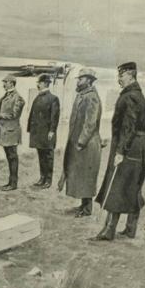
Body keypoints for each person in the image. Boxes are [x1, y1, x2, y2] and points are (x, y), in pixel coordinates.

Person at [94, 62, 145, 240]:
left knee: (117, 187)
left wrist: (120, 152)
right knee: (133, 187)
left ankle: (109, 230)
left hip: (129, 147)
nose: (119, 79)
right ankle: (131, 228)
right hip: (136, 146)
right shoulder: (136, 94)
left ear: (131, 76)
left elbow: (129, 127)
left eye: (122, 75)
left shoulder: (131, 96)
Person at [59, 68, 102, 217]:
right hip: (79, 142)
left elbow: (90, 124)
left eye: (81, 79)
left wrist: (81, 142)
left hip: (88, 144)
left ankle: (87, 209)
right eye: (78, 79)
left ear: (89, 80)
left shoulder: (92, 97)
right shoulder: (81, 95)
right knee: (80, 175)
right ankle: (83, 205)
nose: (78, 81)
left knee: (87, 175)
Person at [0, 74, 25, 191]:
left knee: (12, 157)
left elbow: (15, 115)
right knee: (10, 157)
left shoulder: (18, 98)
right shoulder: (6, 95)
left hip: (11, 131)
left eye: (6, 82)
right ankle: (10, 182)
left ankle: (13, 183)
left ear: (12, 83)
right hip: (5, 131)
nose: (4, 84)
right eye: (4, 82)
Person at [27, 74, 60, 189]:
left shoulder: (53, 98)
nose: (38, 84)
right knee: (41, 155)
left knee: (48, 156)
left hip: (47, 133)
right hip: (38, 133)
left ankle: (48, 180)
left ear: (45, 83)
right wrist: (30, 129)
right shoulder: (38, 97)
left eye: (39, 83)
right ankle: (42, 178)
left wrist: (52, 131)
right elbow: (32, 114)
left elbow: (54, 117)